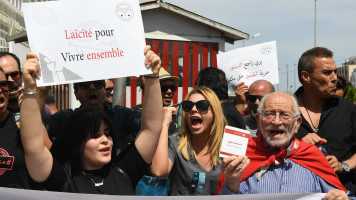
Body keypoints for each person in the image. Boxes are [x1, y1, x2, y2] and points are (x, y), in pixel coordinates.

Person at [20, 46, 163, 194]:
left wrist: (152, 77)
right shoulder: (61, 179)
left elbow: (151, 129)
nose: (105, 140)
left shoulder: (124, 171)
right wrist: (30, 88)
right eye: (95, 135)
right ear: (75, 141)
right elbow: (33, 145)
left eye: (107, 133)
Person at [218, 92, 352, 200]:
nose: (276, 122)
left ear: (297, 123)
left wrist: (342, 198)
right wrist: (231, 185)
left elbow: (345, 195)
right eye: (270, 114)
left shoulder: (312, 155)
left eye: (285, 115)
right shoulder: (240, 156)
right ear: (258, 121)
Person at [294, 47, 356, 192]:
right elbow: (267, 152)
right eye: (327, 72)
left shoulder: (347, 108)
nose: (334, 78)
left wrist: (344, 166)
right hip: (300, 193)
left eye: (335, 71)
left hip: (343, 193)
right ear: (306, 76)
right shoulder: (283, 112)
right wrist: (297, 147)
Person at [150, 86, 227, 195]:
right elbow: (159, 171)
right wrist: (164, 124)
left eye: (202, 105)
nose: (194, 109)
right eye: (188, 106)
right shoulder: (175, 143)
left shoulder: (227, 147)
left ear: (215, 112)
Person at [43, 73, 141, 151]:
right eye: (85, 85)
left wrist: (150, 79)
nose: (92, 88)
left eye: (98, 84)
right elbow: (37, 127)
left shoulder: (120, 115)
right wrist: (41, 91)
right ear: (76, 94)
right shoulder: (65, 118)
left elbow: (149, 124)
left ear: (104, 90)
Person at [133, 68, 180, 135]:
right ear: (151, 90)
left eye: (172, 88)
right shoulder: (136, 114)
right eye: (163, 88)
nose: (170, 91)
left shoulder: (172, 114)